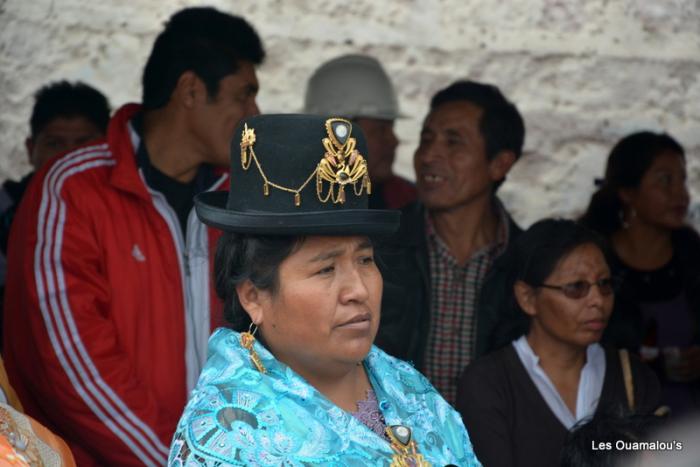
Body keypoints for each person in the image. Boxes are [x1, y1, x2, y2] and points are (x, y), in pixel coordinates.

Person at [3, 7, 264, 466]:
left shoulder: (239, 196)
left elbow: (266, 341)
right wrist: (180, 459)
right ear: (191, 90)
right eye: (244, 95)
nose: (254, 114)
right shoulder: (72, 189)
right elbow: (72, 367)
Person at [169, 114, 480, 466]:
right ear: (253, 296)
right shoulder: (230, 436)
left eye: (365, 260)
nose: (358, 290)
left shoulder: (407, 387)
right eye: (326, 269)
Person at [456, 219, 661, 467]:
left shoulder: (633, 377)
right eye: (577, 287)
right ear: (527, 298)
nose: (597, 300)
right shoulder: (488, 384)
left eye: (604, 284)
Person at [374, 79, 525, 404]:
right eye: (426, 139)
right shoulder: (378, 247)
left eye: (453, 142)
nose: (429, 155)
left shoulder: (527, 263)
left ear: (500, 163)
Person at [580, 131, 700, 417]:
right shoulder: (595, 260)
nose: (680, 194)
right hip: (613, 425)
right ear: (627, 193)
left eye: (682, 180)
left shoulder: (693, 256)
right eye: (664, 180)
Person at [0, 81, 110, 296]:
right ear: (31, 150)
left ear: (108, 148)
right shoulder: (5, 212)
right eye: (55, 144)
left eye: (83, 145)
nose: (68, 158)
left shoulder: (130, 208)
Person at [304, 54, 416, 210]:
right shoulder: (291, 204)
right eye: (381, 130)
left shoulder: (409, 201)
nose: (394, 140)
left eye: (391, 128)